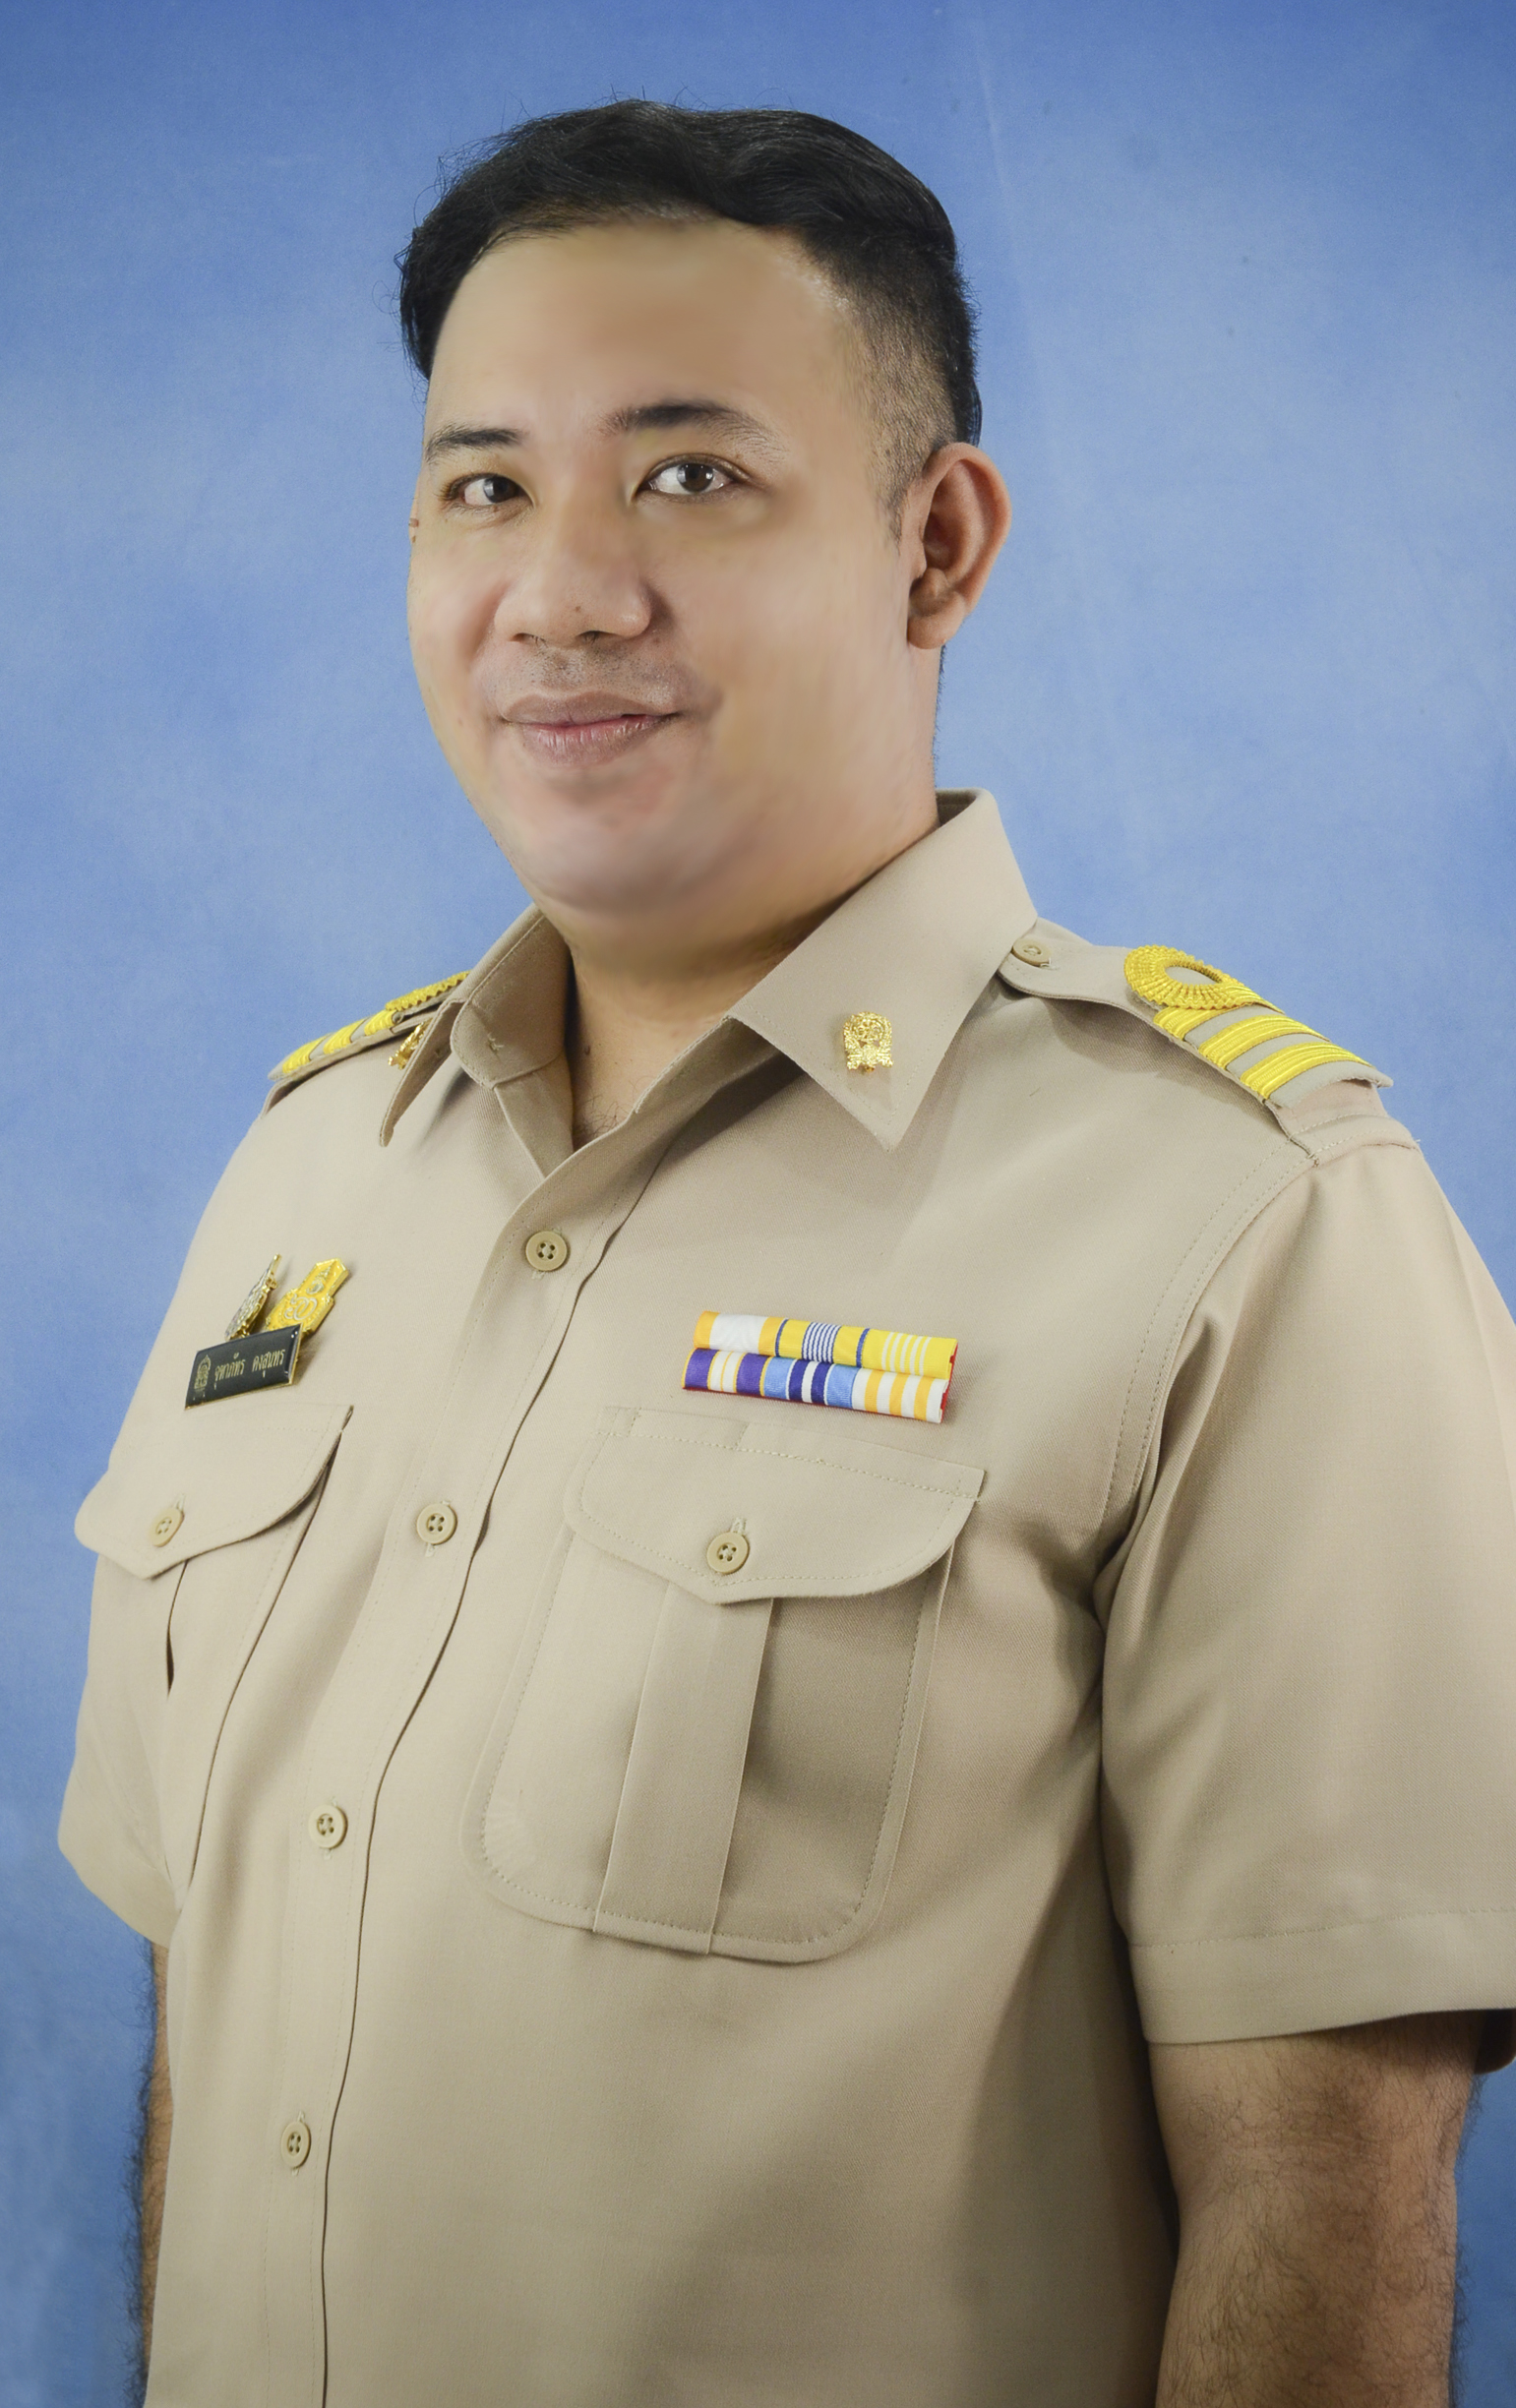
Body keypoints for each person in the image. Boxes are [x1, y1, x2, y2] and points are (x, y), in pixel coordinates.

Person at [60, 99, 1516, 2408]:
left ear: (937, 547)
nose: (561, 593)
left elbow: (1318, 2189)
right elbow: (212, 1999)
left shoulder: (1248, 1223)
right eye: (483, 487)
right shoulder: (306, 1176)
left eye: (688, 475)